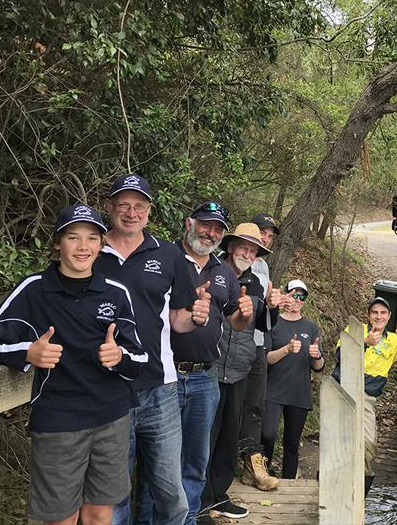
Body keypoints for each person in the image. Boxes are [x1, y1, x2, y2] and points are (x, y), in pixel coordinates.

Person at [0, 204, 148, 525]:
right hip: (59, 421)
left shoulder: (116, 292)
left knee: (100, 515)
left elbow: (140, 359)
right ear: (57, 243)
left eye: (91, 238)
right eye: (73, 237)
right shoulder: (33, 290)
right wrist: (26, 353)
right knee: (59, 519)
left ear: (102, 245)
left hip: (112, 417)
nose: (83, 246)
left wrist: (118, 357)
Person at [94, 174, 210, 525]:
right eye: (124, 205)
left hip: (160, 388)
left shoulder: (169, 253)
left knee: (171, 495)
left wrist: (197, 317)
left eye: (139, 206)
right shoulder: (91, 252)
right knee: (113, 498)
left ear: (149, 211)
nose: (131, 213)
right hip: (106, 389)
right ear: (111, 208)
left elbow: (177, 320)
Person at [139, 201, 253, 525]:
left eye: (218, 228)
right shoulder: (165, 259)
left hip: (205, 379)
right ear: (189, 223)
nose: (211, 232)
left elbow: (235, 321)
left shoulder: (224, 272)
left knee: (194, 461)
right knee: (157, 463)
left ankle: (186, 521)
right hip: (165, 376)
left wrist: (245, 313)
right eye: (206, 224)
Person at [200, 223, 280, 519]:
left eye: (253, 249)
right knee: (205, 435)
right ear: (230, 246)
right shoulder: (210, 272)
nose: (247, 253)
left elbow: (263, 326)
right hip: (210, 366)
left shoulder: (256, 283)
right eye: (243, 247)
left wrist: (271, 307)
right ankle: (198, 499)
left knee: (229, 437)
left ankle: (218, 496)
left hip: (240, 368)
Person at [332, 297, 397, 495]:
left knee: (368, 446)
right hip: (342, 391)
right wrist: (364, 342)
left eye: (383, 313)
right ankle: (331, 487)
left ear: (389, 317)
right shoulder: (356, 329)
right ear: (368, 315)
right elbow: (339, 354)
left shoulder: (395, 341)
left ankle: (359, 495)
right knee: (338, 443)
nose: (378, 316)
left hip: (367, 398)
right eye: (374, 313)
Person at [261, 280, 324, 478]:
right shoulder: (274, 322)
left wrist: (317, 356)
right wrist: (286, 349)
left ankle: (288, 482)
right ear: (286, 295)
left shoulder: (311, 328)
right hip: (273, 390)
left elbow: (319, 368)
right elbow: (267, 358)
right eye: (294, 294)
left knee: (292, 443)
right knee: (267, 435)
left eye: (302, 296)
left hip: (299, 393)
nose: (297, 300)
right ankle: (262, 473)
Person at [239, 212, 281, 490]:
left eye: (269, 235)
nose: (266, 238)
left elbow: (265, 310)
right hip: (234, 344)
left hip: (257, 343)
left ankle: (252, 463)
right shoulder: (231, 265)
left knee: (255, 405)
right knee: (228, 408)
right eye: (261, 232)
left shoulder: (263, 266)